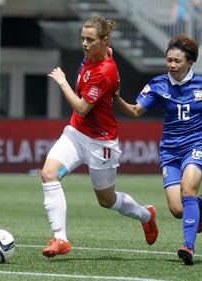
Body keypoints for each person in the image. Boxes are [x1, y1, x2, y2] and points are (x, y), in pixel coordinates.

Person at [114, 33, 202, 265]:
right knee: (177, 209)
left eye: (177, 61)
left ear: (190, 62)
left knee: (187, 189)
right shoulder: (158, 84)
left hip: (197, 144)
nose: (171, 65)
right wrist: (117, 97)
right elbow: (135, 111)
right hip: (170, 151)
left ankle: (188, 247)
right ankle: (199, 205)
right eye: (169, 60)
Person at [41, 16, 158, 258]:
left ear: (104, 41)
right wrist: (101, 49)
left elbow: (82, 108)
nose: (84, 44)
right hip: (75, 133)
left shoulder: (104, 72)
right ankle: (60, 239)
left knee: (106, 201)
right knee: (48, 174)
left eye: (90, 40)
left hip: (101, 143)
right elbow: (105, 53)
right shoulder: (97, 54)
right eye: (82, 38)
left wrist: (62, 82)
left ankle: (146, 215)